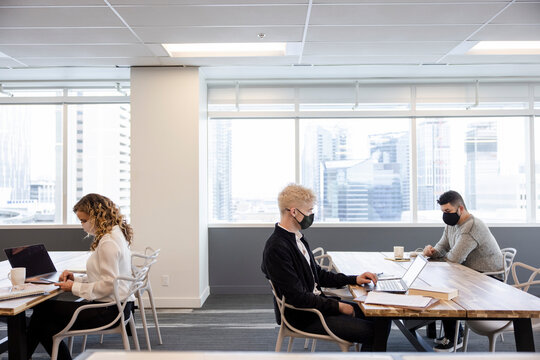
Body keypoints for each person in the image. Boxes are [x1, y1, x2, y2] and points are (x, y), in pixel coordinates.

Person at [261, 184, 390, 351]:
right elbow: (297, 298)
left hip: (318, 306)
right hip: (304, 315)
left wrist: (354, 279)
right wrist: (338, 306)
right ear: (293, 212)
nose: (311, 215)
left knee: (382, 316)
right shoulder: (277, 248)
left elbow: (319, 275)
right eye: (308, 211)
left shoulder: (297, 239)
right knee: (373, 331)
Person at [27, 193, 135, 360]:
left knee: (41, 315)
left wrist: (73, 287)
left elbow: (107, 284)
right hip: (117, 307)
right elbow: (102, 278)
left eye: (83, 221)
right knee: (42, 320)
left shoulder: (108, 242)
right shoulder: (114, 234)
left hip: (109, 312)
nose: (82, 225)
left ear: (97, 216)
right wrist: (75, 279)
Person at [423, 190, 503, 352]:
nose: (445, 216)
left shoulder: (471, 227)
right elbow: (442, 246)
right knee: (443, 281)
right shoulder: (452, 224)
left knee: (445, 287)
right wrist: (431, 252)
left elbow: (454, 259)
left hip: (488, 279)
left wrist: (439, 258)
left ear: (460, 209)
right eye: (443, 212)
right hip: (469, 273)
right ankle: (453, 332)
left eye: (447, 212)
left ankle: (453, 338)